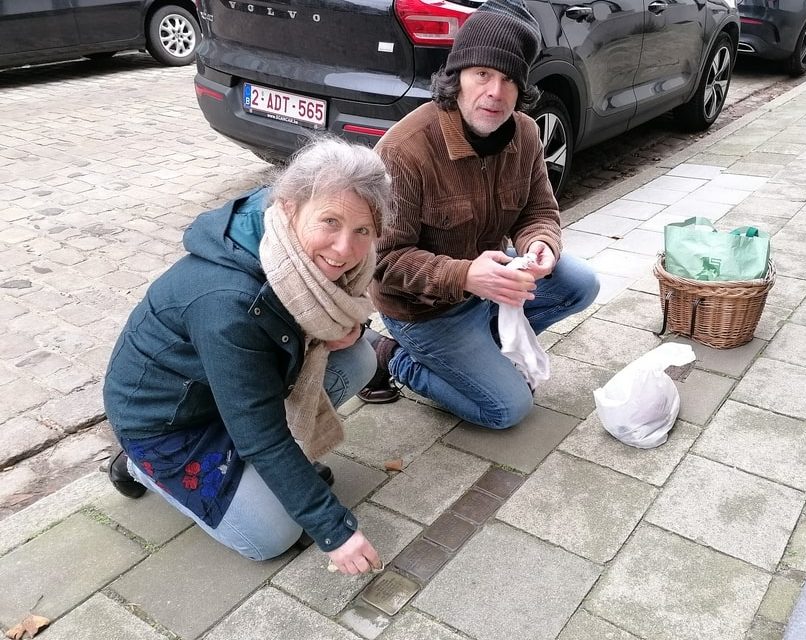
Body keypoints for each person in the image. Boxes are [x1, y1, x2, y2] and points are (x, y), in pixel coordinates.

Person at [103, 138, 386, 572]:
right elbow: (260, 434)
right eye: (330, 221)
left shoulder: (291, 249)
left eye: (362, 231)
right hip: (168, 422)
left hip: (235, 388)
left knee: (360, 358)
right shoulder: (228, 303)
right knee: (275, 536)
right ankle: (140, 467)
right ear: (289, 208)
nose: (345, 250)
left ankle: (262, 478)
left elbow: (330, 314)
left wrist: (344, 335)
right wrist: (335, 530)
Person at [358, 0, 600, 429]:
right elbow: (382, 260)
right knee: (507, 410)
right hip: (423, 311)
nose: (495, 92)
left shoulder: (525, 132)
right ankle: (395, 358)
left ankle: (483, 354)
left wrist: (540, 242)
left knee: (580, 284)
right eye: (483, 74)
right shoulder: (404, 151)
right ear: (457, 78)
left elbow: (539, 209)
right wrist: (466, 276)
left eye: (509, 79)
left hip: (486, 289)